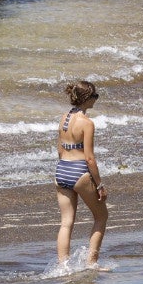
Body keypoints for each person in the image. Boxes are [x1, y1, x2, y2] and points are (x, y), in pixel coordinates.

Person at [54, 80, 109, 267]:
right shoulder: (87, 123)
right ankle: (91, 264)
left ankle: (63, 267)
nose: (96, 99)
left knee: (66, 223)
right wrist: (100, 184)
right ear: (87, 98)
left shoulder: (63, 118)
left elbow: (60, 149)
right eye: (95, 96)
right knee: (101, 217)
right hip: (79, 171)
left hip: (62, 170)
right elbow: (90, 159)